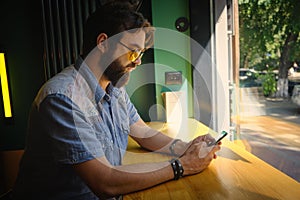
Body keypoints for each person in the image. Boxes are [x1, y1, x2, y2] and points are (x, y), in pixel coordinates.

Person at [12, 1, 221, 200]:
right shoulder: (62, 98)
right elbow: (105, 182)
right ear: (103, 42)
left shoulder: (115, 88)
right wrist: (183, 166)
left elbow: (143, 132)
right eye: (133, 52)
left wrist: (186, 147)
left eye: (141, 53)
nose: (138, 61)